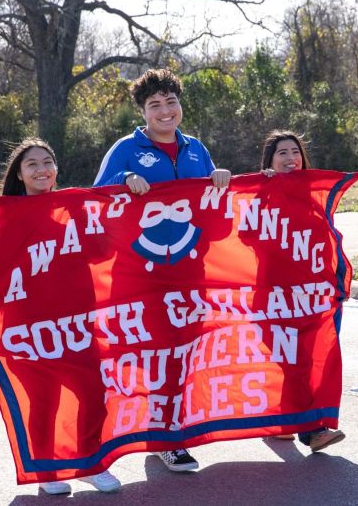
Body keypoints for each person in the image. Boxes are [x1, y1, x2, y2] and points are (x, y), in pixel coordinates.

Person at [93, 68, 230, 472]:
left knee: (183, 353)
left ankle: (166, 430)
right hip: (139, 274)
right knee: (153, 353)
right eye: (155, 104)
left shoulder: (196, 150)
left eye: (171, 102)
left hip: (190, 273)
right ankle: (160, 435)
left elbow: (217, 222)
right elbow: (96, 199)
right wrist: (124, 178)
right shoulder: (126, 149)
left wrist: (219, 182)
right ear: (143, 112)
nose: (165, 110)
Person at [0, 138, 122, 495]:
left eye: (47, 161)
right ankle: (46, 469)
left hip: (76, 323)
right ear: (19, 175)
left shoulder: (72, 206)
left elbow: (100, 253)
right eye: (32, 164)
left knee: (94, 391)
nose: (41, 169)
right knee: (44, 400)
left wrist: (87, 215)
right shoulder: (8, 215)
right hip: (30, 325)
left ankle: (89, 462)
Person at [260, 129, 346, 452]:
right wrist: (263, 186)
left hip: (311, 294)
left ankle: (309, 428)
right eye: (282, 152)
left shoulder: (315, 192)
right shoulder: (259, 192)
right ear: (270, 160)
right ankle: (298, 425)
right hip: (273, 294)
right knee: (288, 360)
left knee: (310, 360)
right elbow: (243, 235)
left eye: (295, 151)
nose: (290, 158)